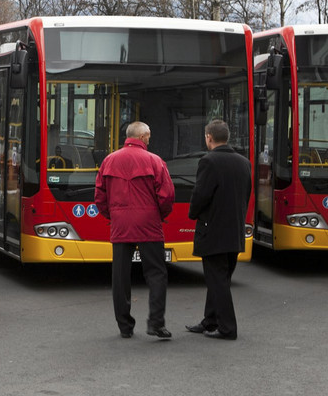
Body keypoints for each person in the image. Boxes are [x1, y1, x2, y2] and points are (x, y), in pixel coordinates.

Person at [94, 120, 175, 340]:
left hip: (121, 225)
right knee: (156, 273)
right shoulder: (155, 161)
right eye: (148, 135)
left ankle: (125, 326)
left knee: (120, 276)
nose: (149, 139)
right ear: (143, 137)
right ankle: (156, 322)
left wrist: (114, 215)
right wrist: (159, 215)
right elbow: (167, 195)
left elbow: (100, 196)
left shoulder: (109, 161)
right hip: (149, 225)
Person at [186, 119, 252, 340]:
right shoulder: (244, 163)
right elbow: (246, 195)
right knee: (220, 279)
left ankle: (227, 328)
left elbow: (200, 195)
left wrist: (193, 213)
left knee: (217, 281)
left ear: (209, 138)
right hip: (234, 231)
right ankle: (210, 320)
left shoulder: (209, 161)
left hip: (212, 231)